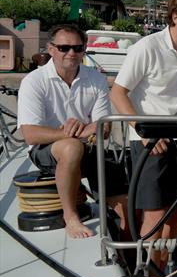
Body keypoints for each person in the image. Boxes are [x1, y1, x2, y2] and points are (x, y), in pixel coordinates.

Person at [110, 0, 177, 266]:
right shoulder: (147, 47)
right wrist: (144, 131)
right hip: (149, 141)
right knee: (154, 215)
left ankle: (162, 272)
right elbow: (118, 93)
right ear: (176, 17)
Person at [18, 24, 128, 239]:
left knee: (129, 208)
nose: (72, 53)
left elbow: (104, 126)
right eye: (64, 48)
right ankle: (71, 217)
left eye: (78, 48)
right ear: (50, 49)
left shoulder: (95, 79)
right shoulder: (34, 81)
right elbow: (30, 134)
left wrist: (80, 131)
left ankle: (133, 258)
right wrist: (73, 134)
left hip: (88, 148)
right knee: (71, 147)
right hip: (46, 151)